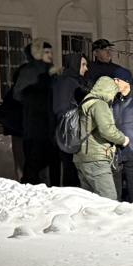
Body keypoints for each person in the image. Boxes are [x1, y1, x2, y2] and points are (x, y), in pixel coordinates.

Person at [74, 71, 129, 198]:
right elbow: (107, 130)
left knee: (91, 202)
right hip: (96, 158)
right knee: (109, 200)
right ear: (109, 90)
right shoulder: (99, 104)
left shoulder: (85, 101)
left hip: (82, 157)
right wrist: (123, 139)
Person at [11, 41, 56, 185]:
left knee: (47, 160)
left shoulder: (52, 70)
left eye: (50, 52)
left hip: (49, 121)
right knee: (34, 160)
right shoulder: (28, 71)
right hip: (35, 121)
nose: (50, 55)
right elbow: (18, 94)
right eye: (46, 52)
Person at [48, 51, 88, 187]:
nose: (86, 68)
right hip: (70, 130)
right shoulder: (70, 83)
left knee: (64, 166)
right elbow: (64, 107)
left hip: (59, 128)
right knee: (70, 167)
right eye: (83, 65)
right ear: (75, 65)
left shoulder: (62, 80)